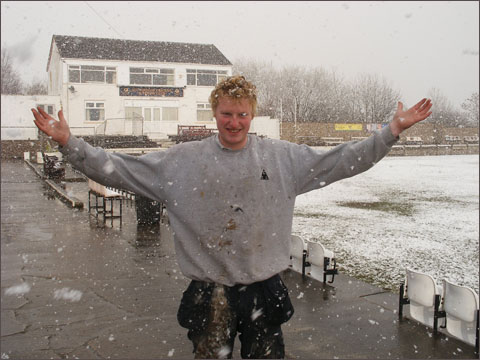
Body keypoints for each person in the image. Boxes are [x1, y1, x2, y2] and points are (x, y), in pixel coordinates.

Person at [32, 75, 432, 359]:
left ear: (252, 114)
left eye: (242, 114)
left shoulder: (282, 159)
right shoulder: (180, 162)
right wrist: (70, 143)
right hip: (209, 296)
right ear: (215, 113)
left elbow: (342, 160)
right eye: (227, 114)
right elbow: (117, 169)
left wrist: (390, 131)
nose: (234, 122)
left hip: (264, 290)